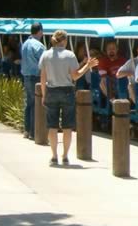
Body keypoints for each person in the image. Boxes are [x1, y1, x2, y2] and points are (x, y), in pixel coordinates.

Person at [39, 30, 98, 165]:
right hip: (67, 91)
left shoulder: (46, 55)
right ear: (64, 41)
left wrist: (44, 94)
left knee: (52, 126)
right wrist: (87, 66)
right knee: (67, 126)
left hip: (51, 90)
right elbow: (75, 76)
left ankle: (54, 156)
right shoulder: (70, 55)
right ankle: (65, 155)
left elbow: (43, 77)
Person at [20, 22, 45, 139]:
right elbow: (45, 62)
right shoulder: (39, 46)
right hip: (36, 77)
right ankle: (34, 133)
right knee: (36, 104)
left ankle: (27, 130)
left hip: (26, 76)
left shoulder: (24, 44)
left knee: (28, 104)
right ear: (39, 31)